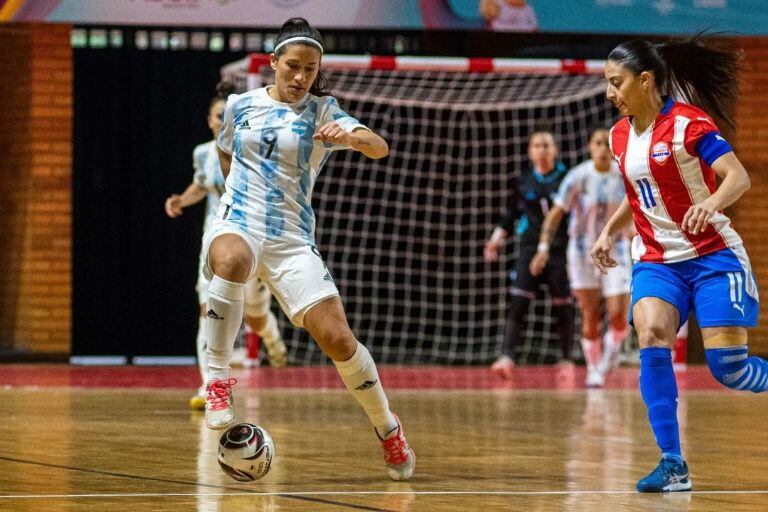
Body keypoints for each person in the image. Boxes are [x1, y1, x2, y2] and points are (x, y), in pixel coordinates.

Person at [199, 17, 415, 481]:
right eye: (292, 66)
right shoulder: (240, 105)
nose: (300, 77)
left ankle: (388, 427)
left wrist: (351, 138)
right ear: (273, 63)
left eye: (310, 70)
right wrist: (238, 195)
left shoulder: (323, 110)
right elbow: (225, 154)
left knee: (337, 338)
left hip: (292, 239)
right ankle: (217, 381)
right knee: (232, 260)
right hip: (238, 221)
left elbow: (381, 147)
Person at [591, 36, 767, 493]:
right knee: (650, 333)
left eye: (616, 82)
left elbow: (738, 177)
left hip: (711, 255)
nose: (609, 93)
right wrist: (609, 230)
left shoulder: (689, 125)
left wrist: (710, 203)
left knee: (730, 369)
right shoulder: (619, 136)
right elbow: (639, 196)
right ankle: (673, 463)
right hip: (657, 260)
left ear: (644, 80)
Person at [164, 83, 288, 411]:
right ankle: (209, 385)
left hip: (250, 243)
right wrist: (181, 200)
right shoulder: (204, 153)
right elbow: (201, 186)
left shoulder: (255, 150)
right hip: (215, 242)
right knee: (209, 309)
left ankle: (270, 335)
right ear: (209, 120)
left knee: (254, 316)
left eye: (231, 115)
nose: (224, 121)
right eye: (220, 116)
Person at [529, 127, 631, 387]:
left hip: (614, 250)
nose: (603, 149)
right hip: (582, 252)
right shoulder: (577, 176)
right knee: (590, 313)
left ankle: (613, 346)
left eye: (607, 144)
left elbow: (636, 212)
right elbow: (555, 214)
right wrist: (543, 248)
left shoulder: (623, 176)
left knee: (620, 314)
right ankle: (594, 368)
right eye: (598, 143)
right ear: (589, 146)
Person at [485, 125, 575, 379]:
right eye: (537, 145)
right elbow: (511, 214)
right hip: (528, 247)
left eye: (547, 145)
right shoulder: (524, 180)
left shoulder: (567, 178)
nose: (542, 150)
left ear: (555, 150)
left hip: (560, 250)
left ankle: (567, 359)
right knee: (518, 301)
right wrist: (495, 240)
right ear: (529, 151)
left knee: (562, 305)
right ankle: (507, 357)